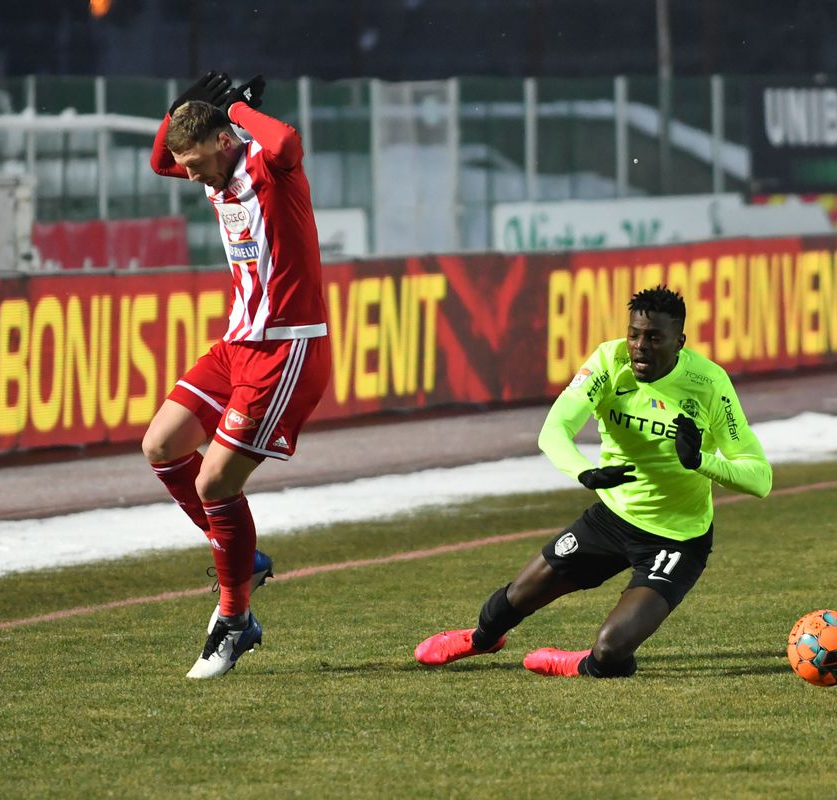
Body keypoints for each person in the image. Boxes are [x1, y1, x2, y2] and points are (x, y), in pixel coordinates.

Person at [415, 285, 772, 677]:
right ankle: (481, 640)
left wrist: (700, 461)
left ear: (679, 342)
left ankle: (581, 663)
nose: (639, 346)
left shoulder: (709, 384)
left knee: (611, 650)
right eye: (634, 334)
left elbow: (759, 478)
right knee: (514, 599)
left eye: (654, 338)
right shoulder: (607, 361)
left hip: (677, 539)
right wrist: (585, 472)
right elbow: (553, 431)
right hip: (612, 518)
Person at [143, 71, 331, 679]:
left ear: (225, 141)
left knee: (216, 483)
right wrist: (182, 107)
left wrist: (238, 109)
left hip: (286, 349)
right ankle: (241, 560)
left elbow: (286, 141)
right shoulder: (213, 171)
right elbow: (158, 160)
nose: (189, 176)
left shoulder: (271, 170)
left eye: (197, 162)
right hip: (237, 344)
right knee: (162, 446)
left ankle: (233, 618)